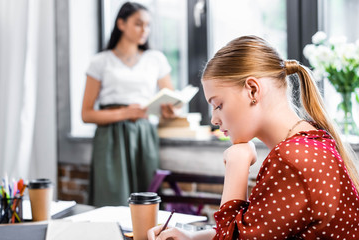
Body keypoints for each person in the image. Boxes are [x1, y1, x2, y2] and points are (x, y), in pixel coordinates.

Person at [148, 35, 359, 239]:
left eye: (218, 105)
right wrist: (192, 237)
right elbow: (258, 226)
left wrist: (236, 165)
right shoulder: (310, 142)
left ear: (252, 90)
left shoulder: (291, 160)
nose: (214, 119)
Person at [82, 2, 175, 207]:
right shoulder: (100, 62)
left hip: (144, 135)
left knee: (146, 198)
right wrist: (124, 113)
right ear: (121, 24)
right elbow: (87, 114)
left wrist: (169, 110)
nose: (145, 30)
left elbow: (171, 99)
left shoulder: (155, 59)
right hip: (111, 138)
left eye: (148, 25)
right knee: (112, 200)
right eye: (138, 24)